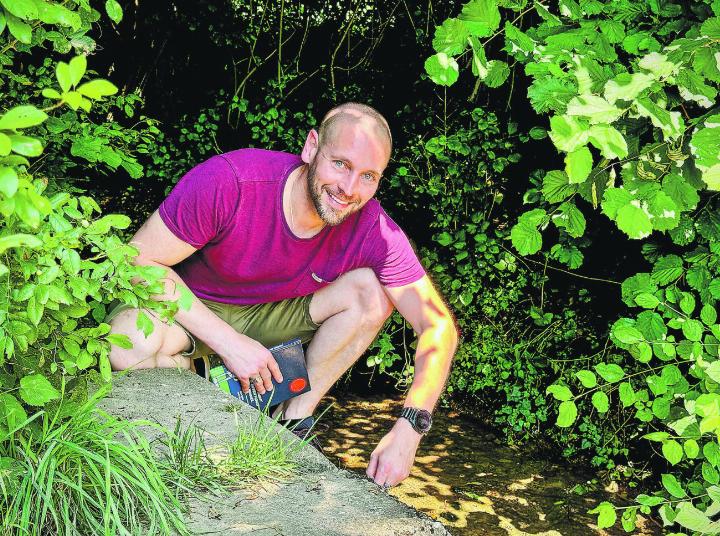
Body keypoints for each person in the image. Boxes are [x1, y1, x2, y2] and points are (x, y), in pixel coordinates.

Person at [108, 102, 458, 488]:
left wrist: (409, 430)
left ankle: (293, 422)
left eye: (368, 176)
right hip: (190, 306)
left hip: (268, 316)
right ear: (311, 147)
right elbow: (137, 261)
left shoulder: (373, 228)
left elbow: (438, 325)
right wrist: (230, 344)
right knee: (126, 345)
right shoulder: (234, 181)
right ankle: (208, 377)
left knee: (371, 294)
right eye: (340, 164)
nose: (349, 189)